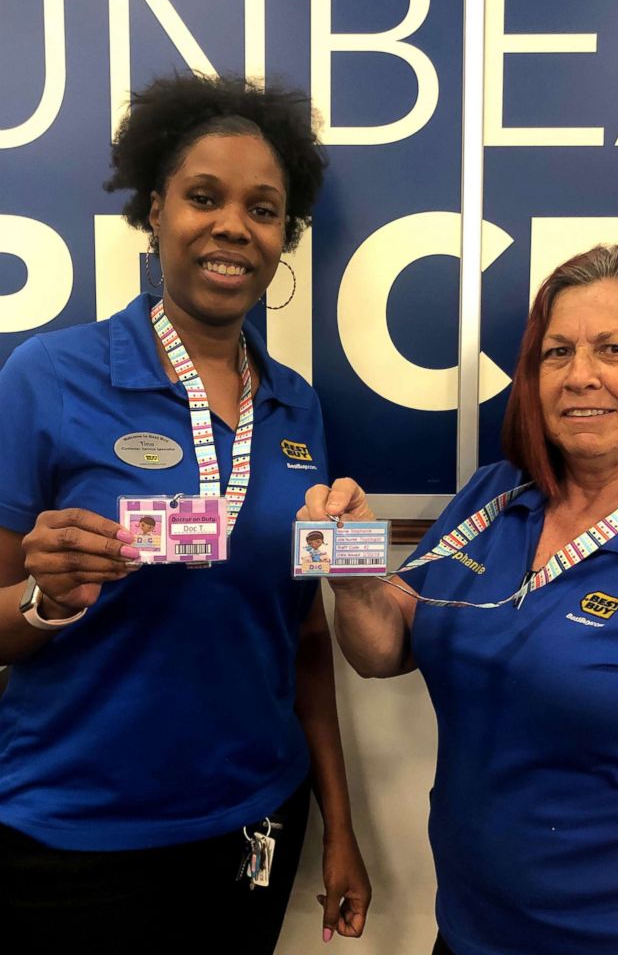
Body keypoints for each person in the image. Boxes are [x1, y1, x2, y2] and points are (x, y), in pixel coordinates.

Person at [0, 73, 370, 952]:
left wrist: (341, 827)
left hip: (252, 821)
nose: (233, 226)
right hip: (75, 831)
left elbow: (305, 637)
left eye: (264, 208)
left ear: (284, 235)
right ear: (155, 209)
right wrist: (44, 600)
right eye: (204, 197)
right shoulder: (48, 378)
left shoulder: (299, 409)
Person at [301, 245, 618, 955]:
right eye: (557, 352)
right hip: (472, 929)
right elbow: (382, 652)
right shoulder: (493, 496)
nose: (580, 375)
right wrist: (350, 570)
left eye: (614, 349)